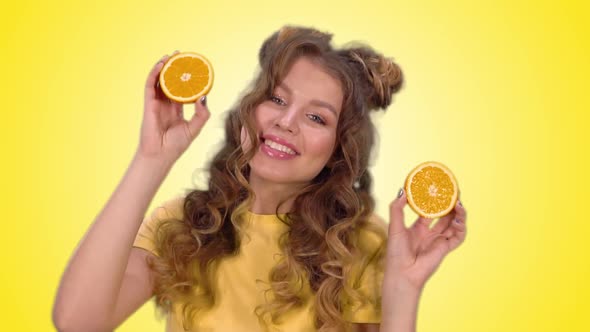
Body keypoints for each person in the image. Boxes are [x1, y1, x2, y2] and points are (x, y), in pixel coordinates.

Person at [52, 25, 467, 332]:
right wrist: (151, 159)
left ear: (339, 149)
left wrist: (404, 287)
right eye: (277, 98)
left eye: (316, 116)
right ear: (250, 109)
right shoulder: (183, 224)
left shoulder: (364, 243)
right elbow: (77, 322)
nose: (286, 122)